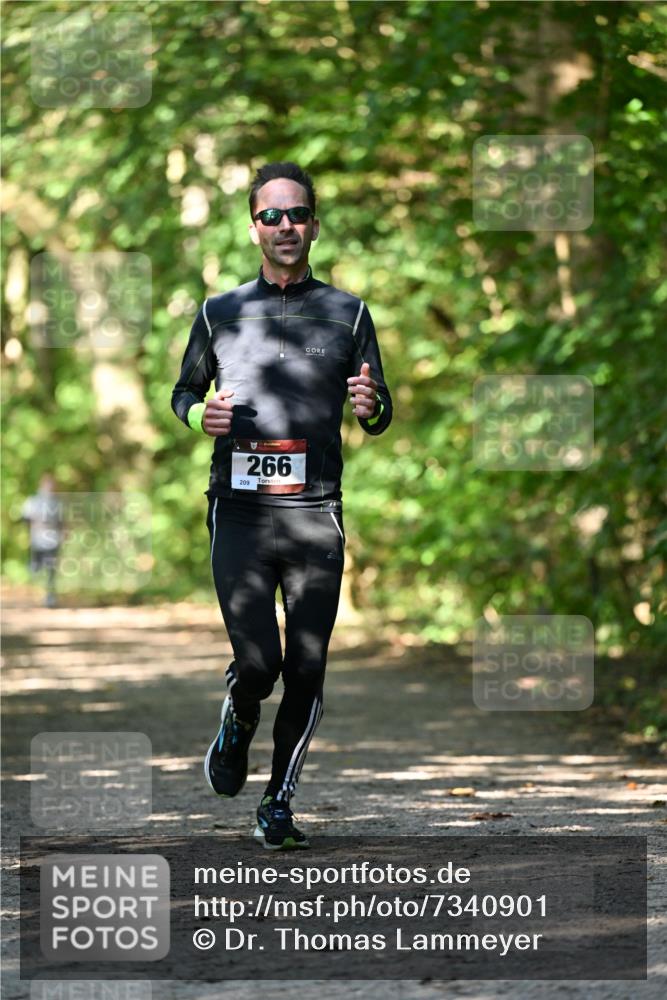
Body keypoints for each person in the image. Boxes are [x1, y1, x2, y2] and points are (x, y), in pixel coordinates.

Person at [171, 161, 392, 850]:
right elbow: (184, 392)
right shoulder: (219, 311)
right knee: (259, 664)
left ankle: (277, 801)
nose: (285, 226)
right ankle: (238, 717)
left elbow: (378, 406)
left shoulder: (349, 311)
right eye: (272, 216)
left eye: (296, 215)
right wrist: (196, 418)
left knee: (307, 663)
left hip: (314, 510)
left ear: (314, 226)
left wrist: (372, 405)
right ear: (253, 228)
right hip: (237, 510)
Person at [21, 474, 64, 608]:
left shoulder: (57, 503)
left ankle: (50, 597)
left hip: (53, 539)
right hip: (38, 539)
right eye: (48, 484)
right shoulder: (33, 501)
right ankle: (30, 585)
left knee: (51, 568)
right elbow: (26, 519)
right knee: (36, 567)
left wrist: (64, 533)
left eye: (52, 484)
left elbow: (62, 521)